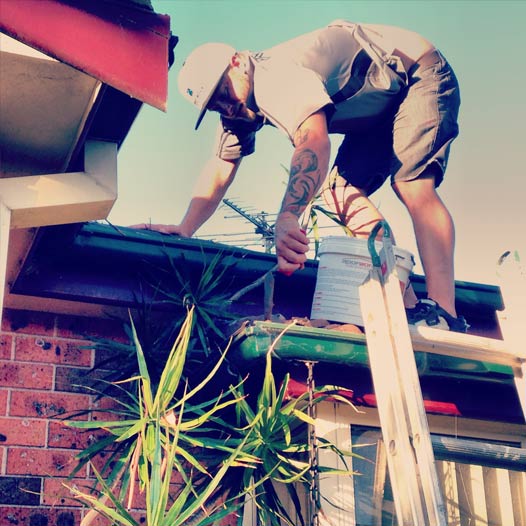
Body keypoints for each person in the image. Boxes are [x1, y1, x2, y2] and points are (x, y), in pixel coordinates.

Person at [133, 20, 468, 332]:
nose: (227, 108)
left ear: (237, 62)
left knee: (412, 184)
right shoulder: (241, 104)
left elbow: (314, 140)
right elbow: (221, 165)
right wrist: (185, 229)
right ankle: (408, 305)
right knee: (340, 193)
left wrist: (289, 216)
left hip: (417, 73)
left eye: (224, 94)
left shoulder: (273, 75)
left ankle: (443, 312)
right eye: (215, 106)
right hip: (380, 108)